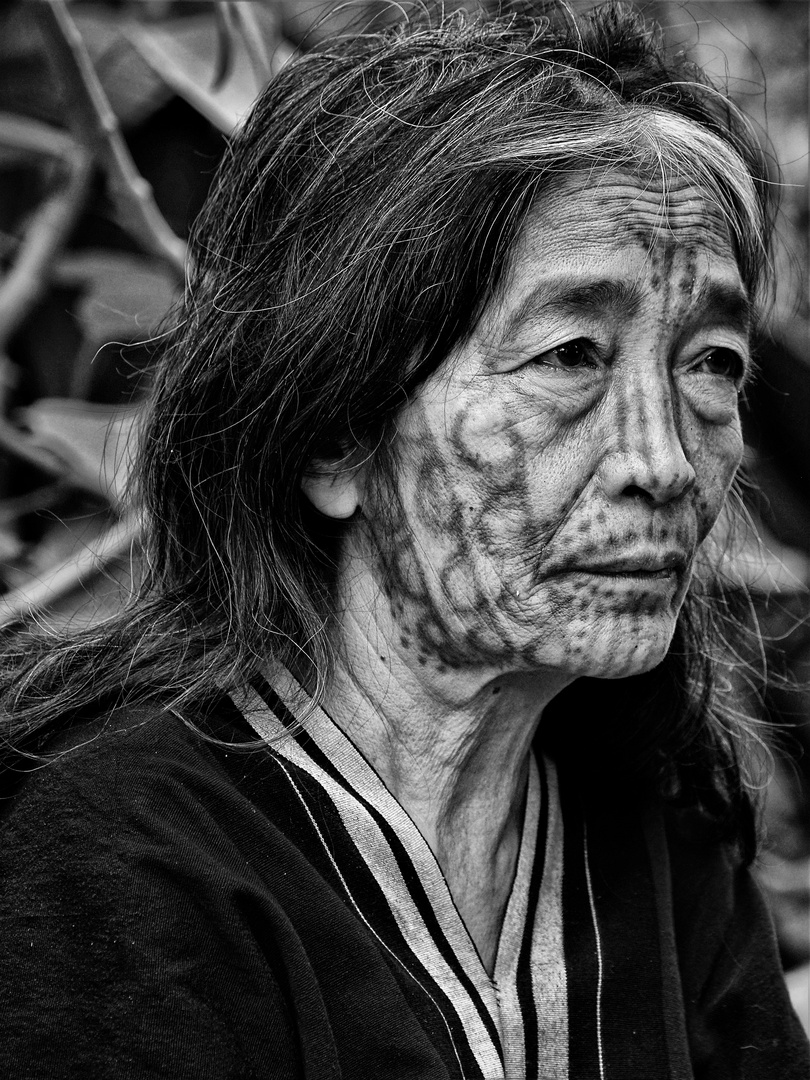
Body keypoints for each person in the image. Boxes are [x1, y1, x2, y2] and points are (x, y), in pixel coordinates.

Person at [0, 3, 807, 1077]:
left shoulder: (657, 836)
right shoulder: (124, 864)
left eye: (709, 362)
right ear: (335, 435)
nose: (662, 462)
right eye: (570, 355)